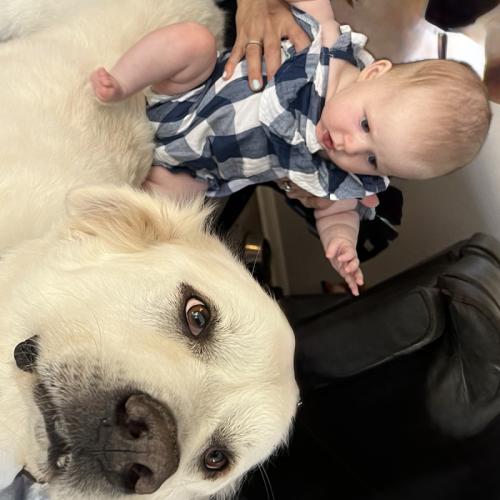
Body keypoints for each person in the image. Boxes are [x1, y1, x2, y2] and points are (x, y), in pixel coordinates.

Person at [90, 0, 491, 295]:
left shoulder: (341, 176)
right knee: (191, 41)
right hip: (189, 93)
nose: (350, 146)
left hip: (198, 170)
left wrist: (341, 241)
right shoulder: (327, 44)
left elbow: (335, 212)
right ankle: (121, 82)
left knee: (172, 215)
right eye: (365, 124)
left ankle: (98, 221)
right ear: (373, 72)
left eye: (372, 159)